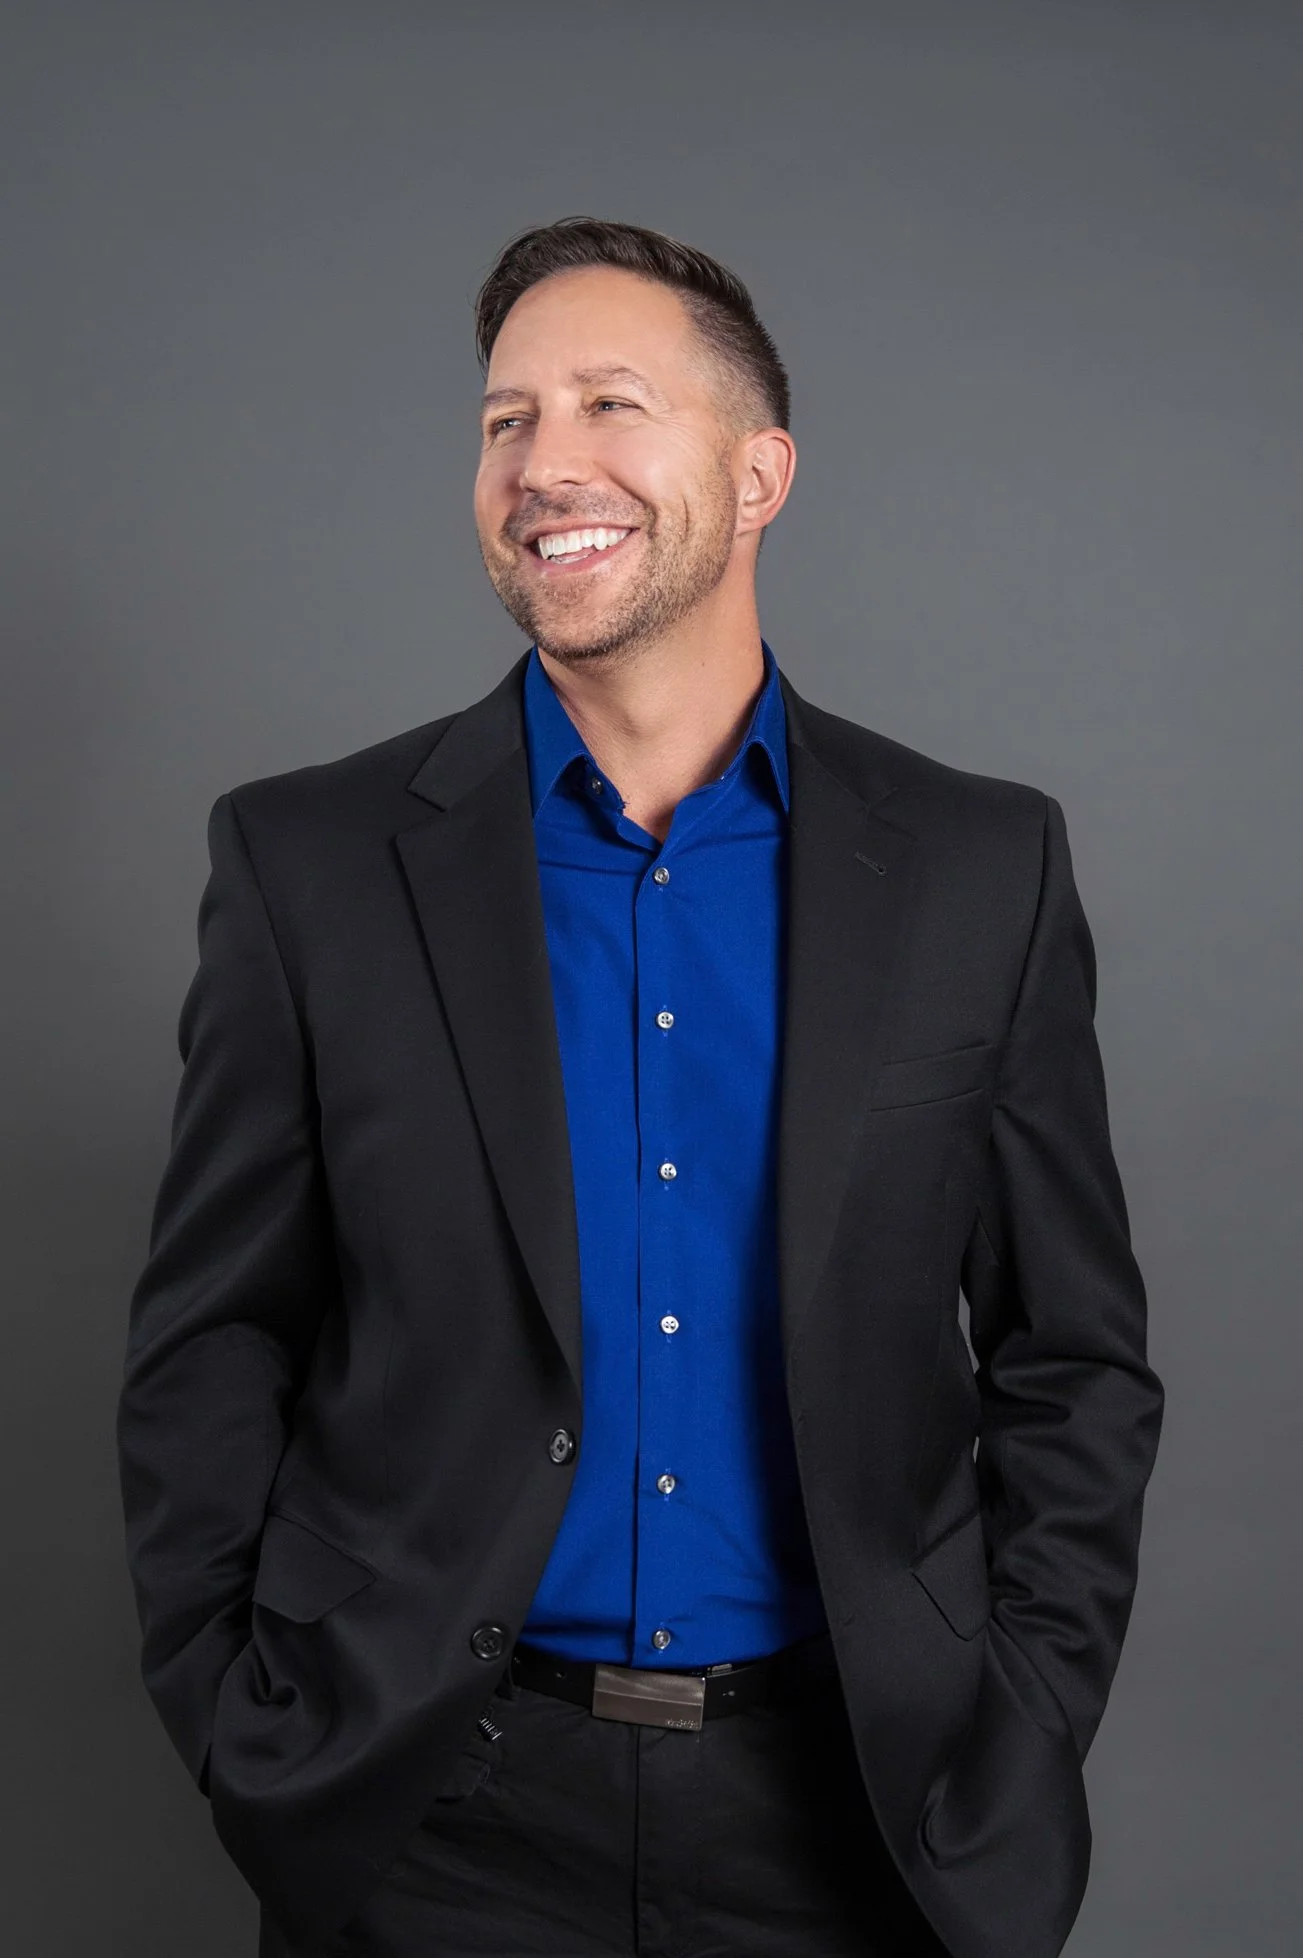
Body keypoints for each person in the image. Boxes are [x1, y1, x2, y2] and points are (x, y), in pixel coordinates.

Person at [117, 217, 1163, 1958]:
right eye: (504, 418)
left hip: (856, 1813)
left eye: (610, 402)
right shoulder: (309, 863)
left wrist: (1022, 1711)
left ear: (758, 477)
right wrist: (248, 1721)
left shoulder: (981, 866)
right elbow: (211, 1337)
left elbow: (1073, 1354)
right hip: (423, 1816)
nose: (543, 463)